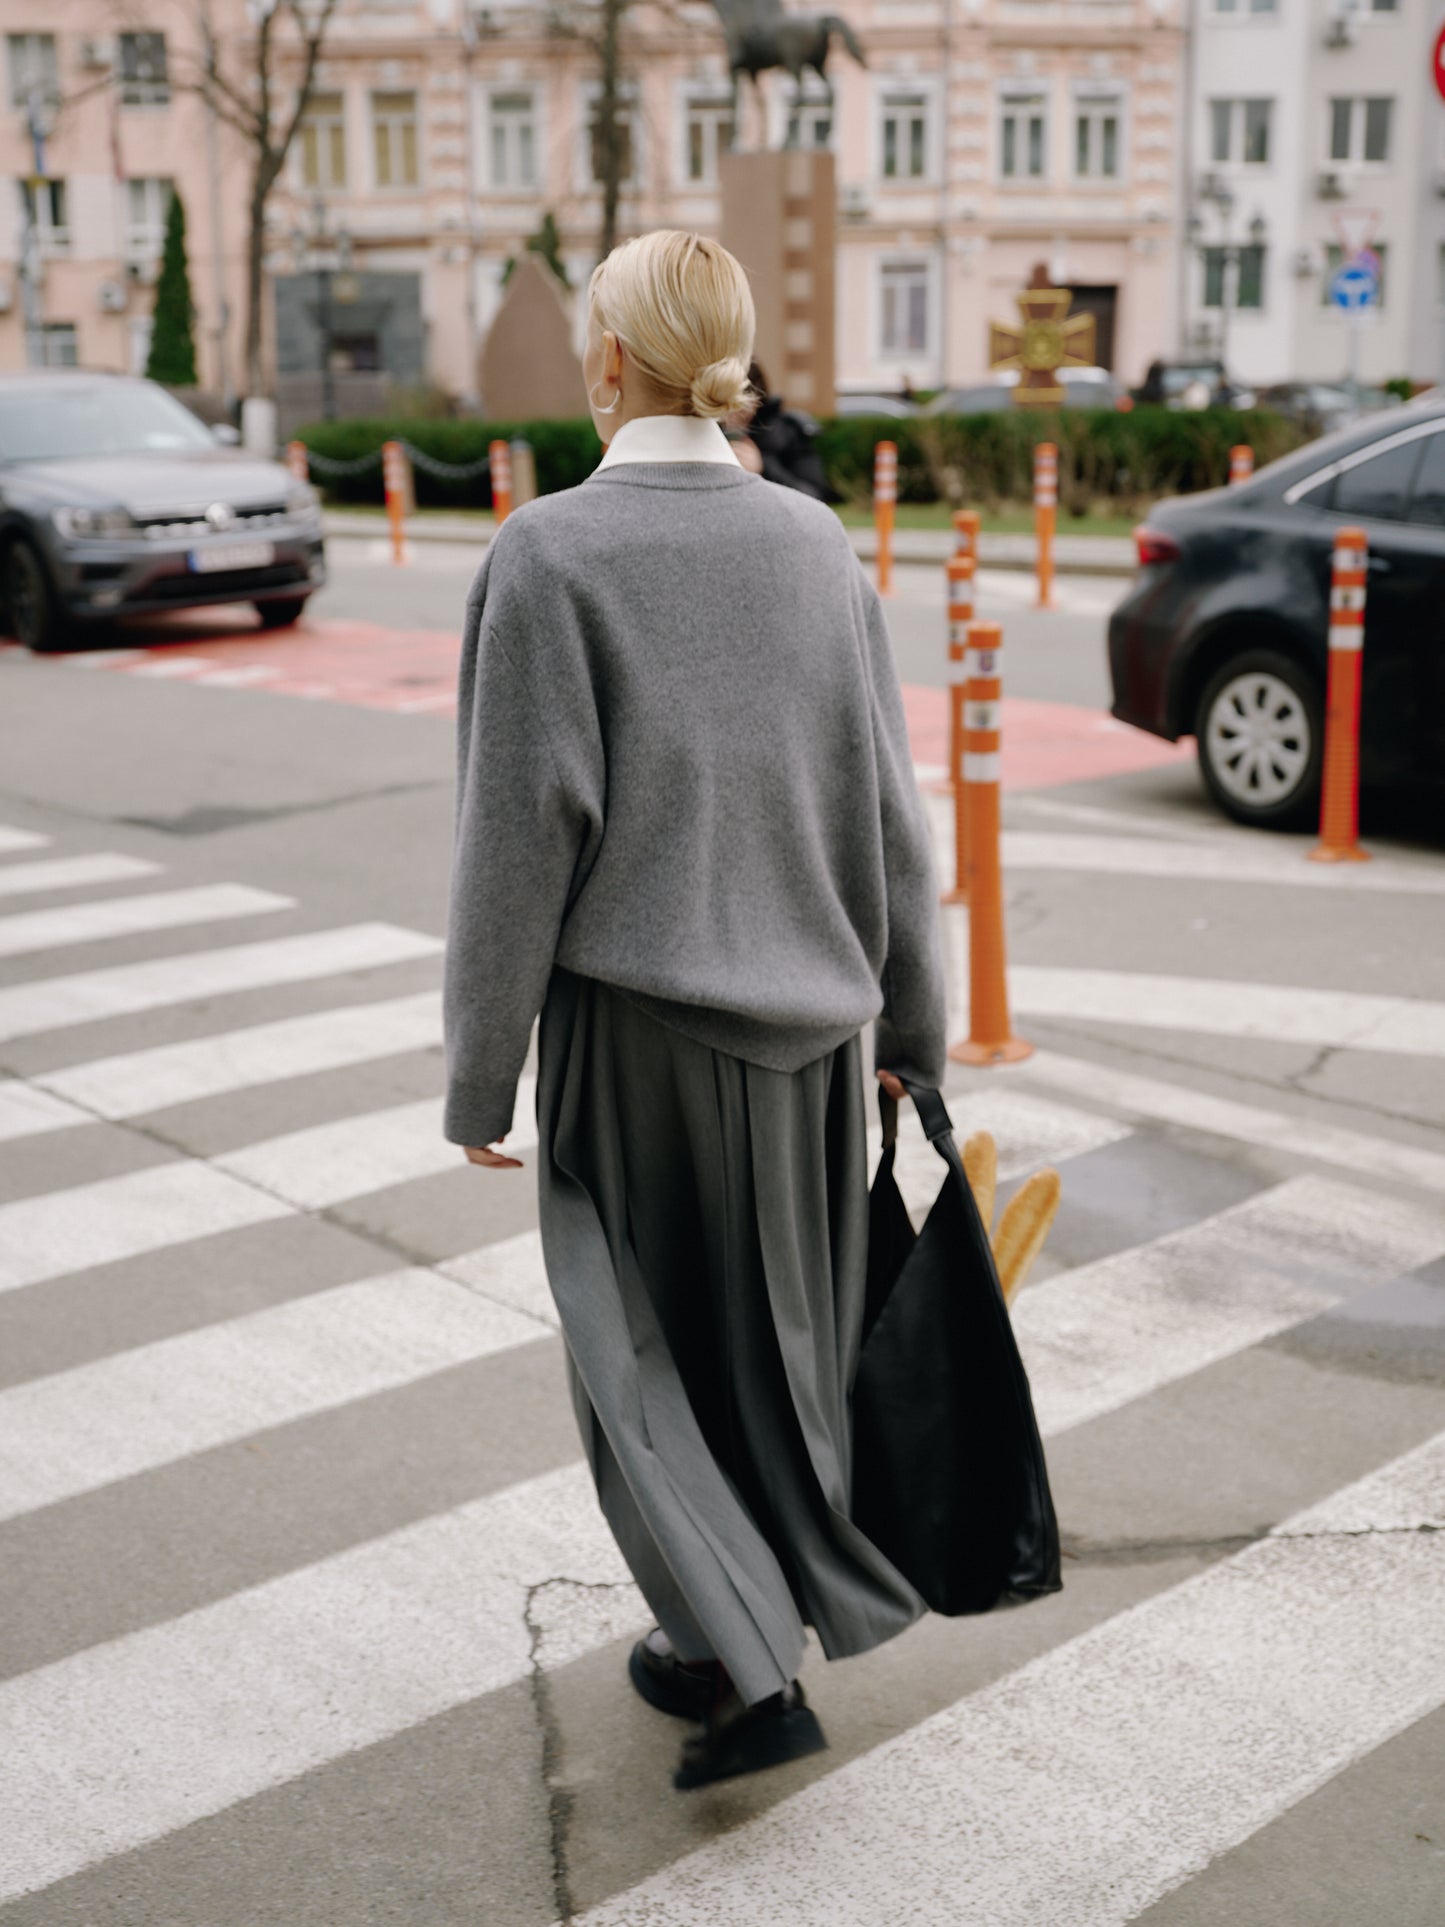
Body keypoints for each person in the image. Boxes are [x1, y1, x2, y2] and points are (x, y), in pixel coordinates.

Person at [444, 229, 946, 1792]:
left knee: (637, 1354)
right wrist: (915, 1035)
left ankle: (735, 1662)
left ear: (606, 361)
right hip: (816, 1043)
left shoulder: (551, 551)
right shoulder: (815, 544)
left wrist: (484, 1075)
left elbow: (517, 838)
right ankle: (748, 1634)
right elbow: (887, 814)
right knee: (777, 1357)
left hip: (640, 1038)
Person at [727, 360, 835, 500]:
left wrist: (763, 468)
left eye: (743, 395)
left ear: (758, 395)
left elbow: (812, 495)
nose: (733, 407)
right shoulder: (705, 432)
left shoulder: (787, 433)